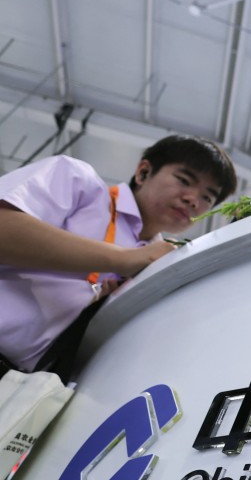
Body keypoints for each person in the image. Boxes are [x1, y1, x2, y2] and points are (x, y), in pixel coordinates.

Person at [0, 135, 237, 373]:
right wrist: (124, 259)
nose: (193, 200)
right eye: (184, 180)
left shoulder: (159, 268)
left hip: (27, 389)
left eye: (207, 197)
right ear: (143, 172)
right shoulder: (77, 180)